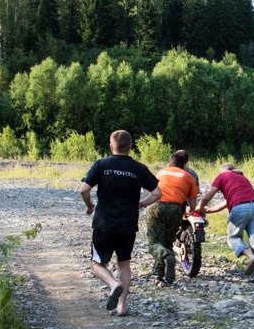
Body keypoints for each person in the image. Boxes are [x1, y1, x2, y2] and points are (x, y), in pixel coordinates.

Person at [79, 130, 162, 316]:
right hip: (127, 225)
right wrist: (141, 203)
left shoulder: (102, 164)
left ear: (111, 146)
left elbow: (84, 189)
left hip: (104, 224)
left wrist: (90, 205)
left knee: (98, 264)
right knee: (124, 264)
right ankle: (122, 307)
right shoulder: (139, 168)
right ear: (130, 146)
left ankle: (113, 284)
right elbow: (157, 193)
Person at [198, 163, 254, 289]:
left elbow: (209, 194)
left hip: (240, 208)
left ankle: (250, 257)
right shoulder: (242, 178)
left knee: (233, 238)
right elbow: (225, 203)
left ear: (223, 170)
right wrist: (207, 211)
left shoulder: (222, 175)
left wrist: (200, 207)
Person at [146, 151, 199, 287]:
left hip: (156, 206)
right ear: (184, 165)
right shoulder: (189, 176)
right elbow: (192, 205)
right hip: (175, 209)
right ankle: (159, 275)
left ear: (169, 164)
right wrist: (188, 212)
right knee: (167, 241)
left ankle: (161, 270)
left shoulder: (161, 172)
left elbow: (151, 191)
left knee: (155, 243)